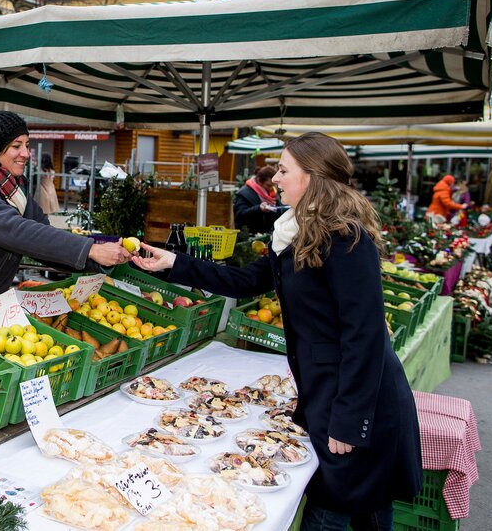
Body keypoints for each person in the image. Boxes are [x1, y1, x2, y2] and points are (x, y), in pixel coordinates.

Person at [132, 132, 422, 531]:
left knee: (336, 509)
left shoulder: (346, 238)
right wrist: (174, 263)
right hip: (328, 393)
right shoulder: (296, 231)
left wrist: (349, 420)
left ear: (313, 177)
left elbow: (366, 335)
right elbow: (245, 281)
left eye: (285, 170)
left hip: (359, 401)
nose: (276, 179)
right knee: (362, 507)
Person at [0, 111, 131, 296]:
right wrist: (90, 249)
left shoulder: (17, 190)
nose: (26, 153)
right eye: (16, 146)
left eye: (27, 145)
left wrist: (98, 257)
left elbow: (43, 239)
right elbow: (18, 232)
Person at [233, 165, 282, 233]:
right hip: (250, 235)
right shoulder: (243, 194)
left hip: (269, 233)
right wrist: (258, 208)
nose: (271, 188)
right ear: (259, 181)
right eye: (268, 185)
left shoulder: (272, 192)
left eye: (273, 185)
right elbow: (239, 215)